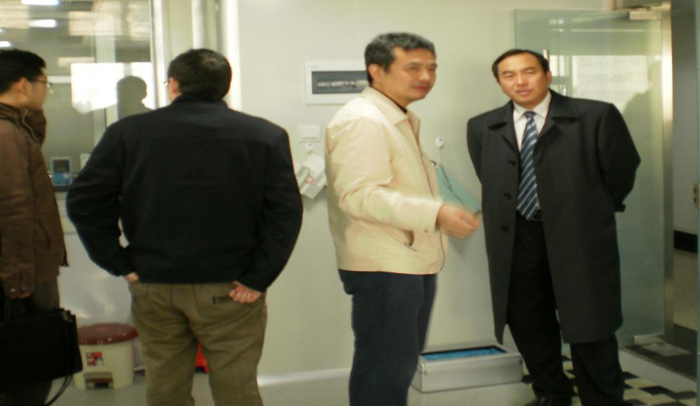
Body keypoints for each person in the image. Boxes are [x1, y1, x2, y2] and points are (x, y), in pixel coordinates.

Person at [67, 48, 303, 406]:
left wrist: (118, 262)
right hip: (233, 287)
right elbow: (284, 213)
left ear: (174, 84)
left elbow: (85, 200)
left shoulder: (128, 132)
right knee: (237, 388)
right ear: (225, 86)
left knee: (165, 388)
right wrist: (259, 277)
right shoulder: (264, 135)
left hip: (154, 283)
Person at [467, 49, 640, 406]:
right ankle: (551, 394)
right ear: (499, 83)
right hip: (517, 238)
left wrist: (590, 210)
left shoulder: (595, 115)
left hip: (579, 236)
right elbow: (492, 178)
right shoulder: (483, 126)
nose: (520, 81)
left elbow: (621, 171)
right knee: (529, 322)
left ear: (548, 75)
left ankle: (603, 400)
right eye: (509, 75)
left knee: (589, 323)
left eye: (529, 72)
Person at [325, 33, 479, 406]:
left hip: (406, 261)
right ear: (376, 71)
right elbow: (358, 195)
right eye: (413, 67)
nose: (425, 76)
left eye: (431, 68)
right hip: (385, 267)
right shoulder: (363, 120)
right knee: (384, 372)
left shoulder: (395, 117)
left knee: (396, 368)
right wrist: (436, 212)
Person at [0, 49, 67, 406]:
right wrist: (19, 279)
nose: (46, 90)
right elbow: (12, 209)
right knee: (29, 369)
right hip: (24, 275)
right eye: (44, 83)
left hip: (22, 269)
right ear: (23, 85)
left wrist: (33, 112)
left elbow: (33, 143)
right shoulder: (5, 134)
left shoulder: (14, 128)